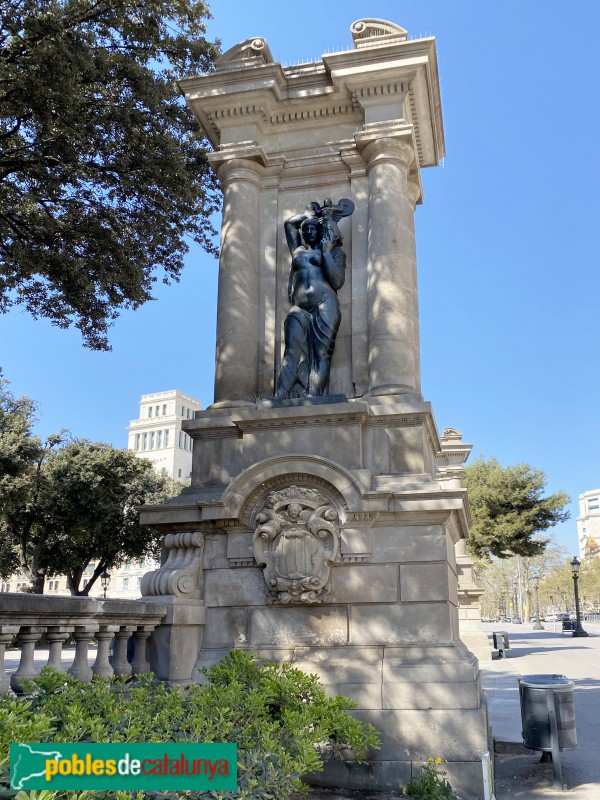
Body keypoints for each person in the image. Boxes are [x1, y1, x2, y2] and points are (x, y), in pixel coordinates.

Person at [274, 198, 354, 399]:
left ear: (320, 232)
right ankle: (280, 394)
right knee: (291, 350)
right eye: (305, 230)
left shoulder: (335, 253)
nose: (308, 232)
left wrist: (326, 254)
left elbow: (337, 282)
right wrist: (312, 216)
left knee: (322, 354)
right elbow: (289, 224)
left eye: (312, 229)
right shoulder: (298, 251)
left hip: (325, 304)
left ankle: (313, 395)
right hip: (299, 308)